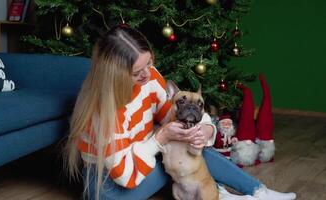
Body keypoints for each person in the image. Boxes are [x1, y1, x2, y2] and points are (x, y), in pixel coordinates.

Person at [63, 25, 296, 200]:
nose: (148, 74)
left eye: (149, 63)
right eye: (137, 72)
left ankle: (257, 191)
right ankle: (217, 193)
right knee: (184, 160)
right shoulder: (105, 113)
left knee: (192, 151)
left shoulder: (150, 77)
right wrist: (161, 139)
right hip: (111, 180)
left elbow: (171, 115)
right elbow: (127, 176)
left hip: (144, 152)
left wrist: (205, 128)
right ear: (114, 75)